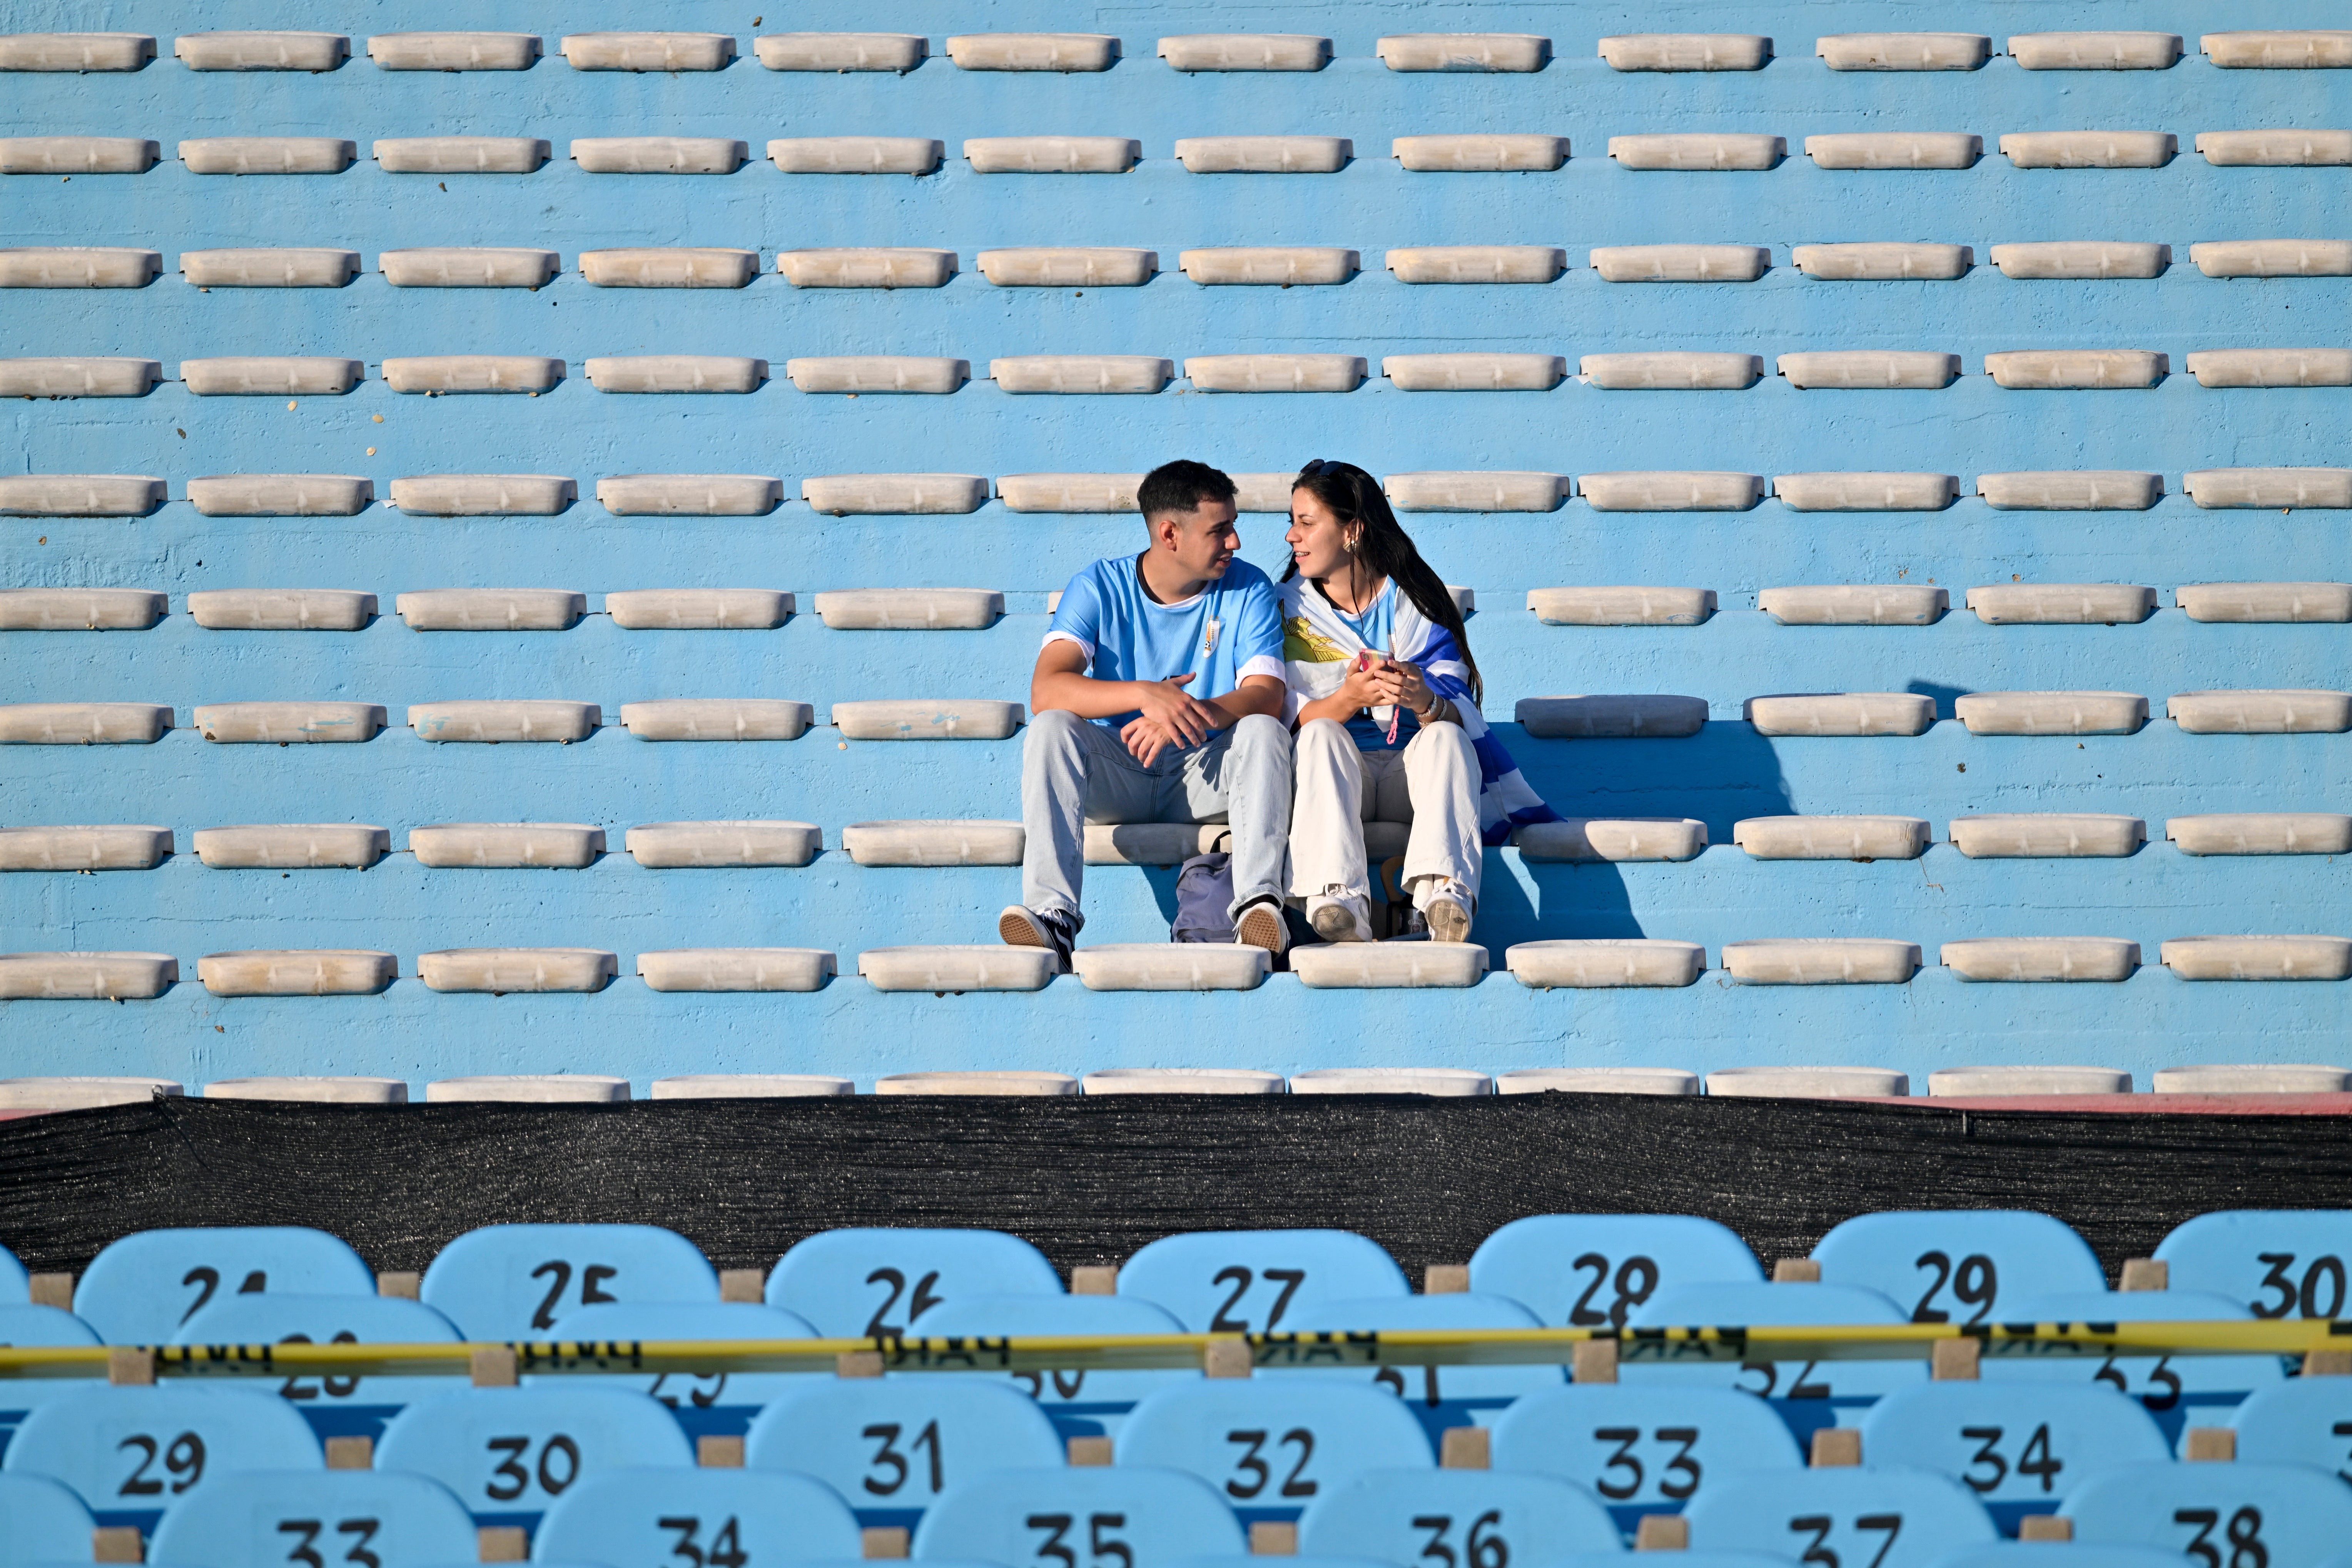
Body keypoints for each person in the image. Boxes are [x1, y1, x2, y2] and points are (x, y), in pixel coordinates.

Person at [1001, 459, 1294, 964]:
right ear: (1169, 533)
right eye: (1220, 530)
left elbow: (1267, 693)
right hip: (1123, 771)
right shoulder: (1098, 585)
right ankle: (1053, 917)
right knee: (1051, 727)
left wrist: (1186, 711)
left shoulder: (1249, 588)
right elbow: (1047, 688)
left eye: (1233, 526)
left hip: (1206, 771)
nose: (1235, 543)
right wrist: (1145, 695)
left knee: (1265, 730)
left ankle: (1257, 906)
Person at [1279, 459, 1559, 944]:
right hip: (1341, 777)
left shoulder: (1419, 603)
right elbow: (1286, 716)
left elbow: (1458, 707)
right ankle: (1336, 898)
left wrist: (1422, 698)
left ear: (1353, 531)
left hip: (1411, 777)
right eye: (1292, 522)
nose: (1291, 536)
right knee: (1321, 734)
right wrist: (1347, 698)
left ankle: (1444, 897)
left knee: (1447, 735)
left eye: (1306, 522)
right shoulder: (1286, 610)